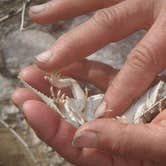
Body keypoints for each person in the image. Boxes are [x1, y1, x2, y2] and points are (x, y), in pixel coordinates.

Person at [12, 0, 166, 165]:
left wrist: (59, 82)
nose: (60, 101)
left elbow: (72, 86)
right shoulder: (78, 115)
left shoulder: (79, 112)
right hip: (136, 107)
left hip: (143, 102)